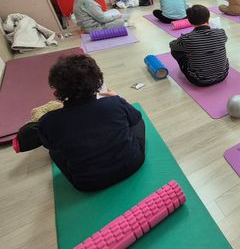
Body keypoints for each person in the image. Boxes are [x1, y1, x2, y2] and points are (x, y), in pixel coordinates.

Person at [16, 54, 145, 191]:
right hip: (134, 164)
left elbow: (50, 145)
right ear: (98, 82)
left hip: (88, 184)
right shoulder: (114, 102)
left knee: (54, 152)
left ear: (57, 90)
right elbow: (136, 118)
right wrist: (118, 98)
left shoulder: (48, 121)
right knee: (136, 119)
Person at [169, 5, 229, 87]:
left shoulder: (187, 38)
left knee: (175, 50)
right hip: (223, 75)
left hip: (198, 80)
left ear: (189, 21)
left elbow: (172, 45)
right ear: (208, 17)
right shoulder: (221, 32)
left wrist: (182, 39)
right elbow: (223, 40)